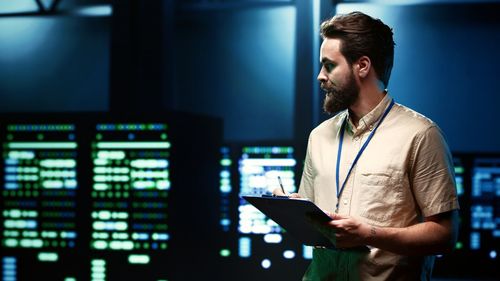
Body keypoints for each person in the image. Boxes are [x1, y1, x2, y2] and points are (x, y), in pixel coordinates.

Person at [275, 11, 459, 280]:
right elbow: (314, 223)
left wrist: (370, 235)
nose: (319, 77)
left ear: (362, 66)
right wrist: (292, 209)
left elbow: (444, 235)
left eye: (329, 65)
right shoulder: (319, 136)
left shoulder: (421, 135)